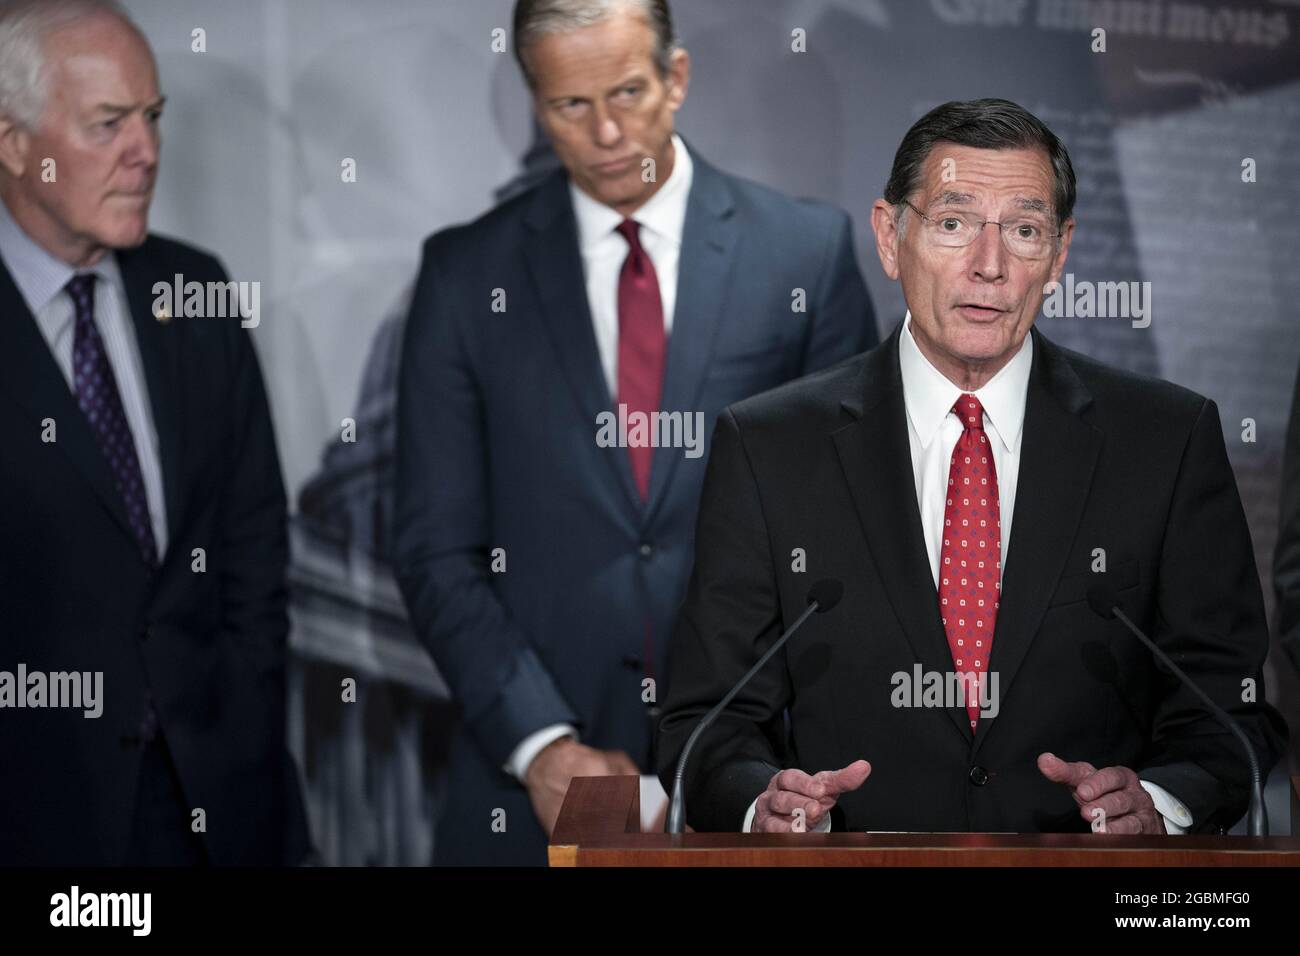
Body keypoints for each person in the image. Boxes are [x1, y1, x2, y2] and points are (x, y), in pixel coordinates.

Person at [657, 98, 1287, 836]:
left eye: (1023, 230)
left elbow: (1229, 710)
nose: (989, 266)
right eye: (953, 224)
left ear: (1058, 255)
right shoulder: (769, 447)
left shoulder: (1167, 440)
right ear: (891, 238)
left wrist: (1163, 802)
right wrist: (765, 800)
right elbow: (704, 723)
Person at [394, 0, 878, 865]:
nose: (608, 131)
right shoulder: (465, 277)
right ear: (534, 103)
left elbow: (843, 545)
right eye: (570, 107)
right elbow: (436, 548)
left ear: (677, 77)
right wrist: (540, 746)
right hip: (525, 804)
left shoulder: (804, 255)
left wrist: (742, 758)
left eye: (627, 92)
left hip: (763, 795)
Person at [0, 0, 310, 864]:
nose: (147, 152)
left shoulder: (197, 293)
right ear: (14, 142)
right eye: (109, 124)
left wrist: (242, 713)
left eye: (154, 117)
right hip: (35, 819)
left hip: (214, 803)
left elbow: (254, 545)